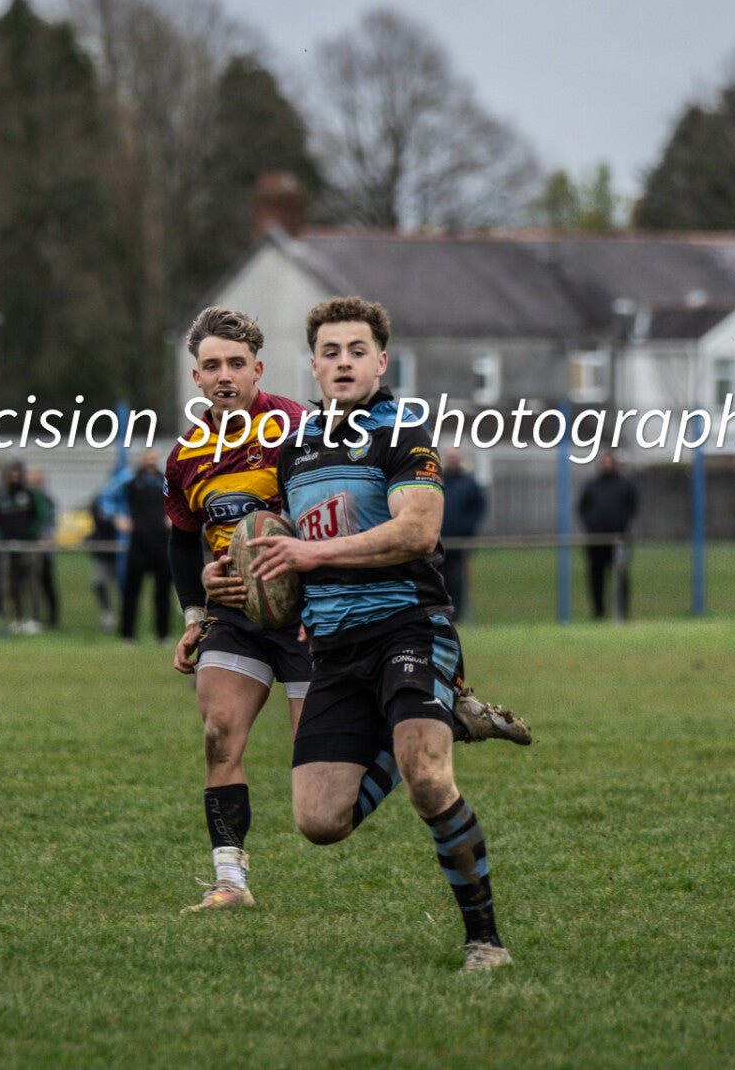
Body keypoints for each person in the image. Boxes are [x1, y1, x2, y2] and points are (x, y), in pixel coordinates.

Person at [247, 295, 512, 973]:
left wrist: (311, 555)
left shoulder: (401, 434)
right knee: (319, 821)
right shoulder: (294, 449)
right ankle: (436, 718)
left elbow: (416, 530)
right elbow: (280, 544)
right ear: (313, 366)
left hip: (408, 627)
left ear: (381, 362)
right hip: (333, 647)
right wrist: (234, 578)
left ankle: (485, 941)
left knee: (428, 778)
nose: (343, 362)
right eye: (330, 352)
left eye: (356, 351)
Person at [165, 307, 315, 911]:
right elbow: (182, 541)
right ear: (196, 378)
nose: (224, 375)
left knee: (318, 770)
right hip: (235, 615)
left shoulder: (299, 431)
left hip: (310, 613)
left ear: (258, 369)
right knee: (219, 731)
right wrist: (194, 614)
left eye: (236, 363)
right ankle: (230, 881)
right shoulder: (186, 455)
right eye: (212, 366)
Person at [116, 449, 172, 645]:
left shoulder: (166, 481)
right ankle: (127, 635)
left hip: (161, 542)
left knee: (163, 591)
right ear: (142, 459)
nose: (150, 461)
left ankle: (163, 635)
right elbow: (107, 499)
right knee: (132, 591)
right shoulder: (130, 481)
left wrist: (174, 517)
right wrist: (118, 517)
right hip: (138, 542)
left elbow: (181, 500)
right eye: (147, 458)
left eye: (153, 458)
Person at [577, 451, 639, 620]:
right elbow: (582, 508)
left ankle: (621, 612)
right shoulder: (592, 485)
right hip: (596, 539)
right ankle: (598, 612)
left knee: (620, 574)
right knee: (596, 576)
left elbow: (632, 507)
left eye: (609, 461)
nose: (606, 464)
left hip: (618, 538)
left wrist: (621, 525)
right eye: (604, 461)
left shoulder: (625, 485)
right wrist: (592, 525)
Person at [0, 462, 45, 634]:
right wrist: (4, 536)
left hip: (28, 544)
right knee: (12, 584)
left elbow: (40, 515)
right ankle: (18, 618)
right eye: (12, 474)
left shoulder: (30, 494)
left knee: (32, 582)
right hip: (9, 545)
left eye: (17, 474)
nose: (14, 477)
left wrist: (30, 534)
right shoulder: (2, 496)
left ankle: (35, 619)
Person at [439, 449, 487, 622]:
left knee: (457, 578)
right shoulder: (437, 481)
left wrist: (466, 528)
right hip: (437, 541)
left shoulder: (468, 483)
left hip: (460, 542)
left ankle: (456, 615)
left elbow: (478, 507)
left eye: (455, 457)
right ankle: (439, 613)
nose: (452, 460)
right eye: (450, 457)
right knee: (438, 578)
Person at [29, 467, 61, 629]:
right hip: (30, 548)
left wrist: (45, 538)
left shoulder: (48, 500)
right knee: (31, 584)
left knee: (47, 584)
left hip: (45, 550)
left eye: (37, 481)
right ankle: (34, 617)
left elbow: (51, 523)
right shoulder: (27, 498)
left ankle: (53, 618)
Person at [87, 487, 121, 632]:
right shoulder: (99, 500)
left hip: (121, 551)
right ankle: (107, 612)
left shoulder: (124, 498)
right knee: (99, 583)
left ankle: (124, 616)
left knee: (124, 586)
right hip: (102, 552)